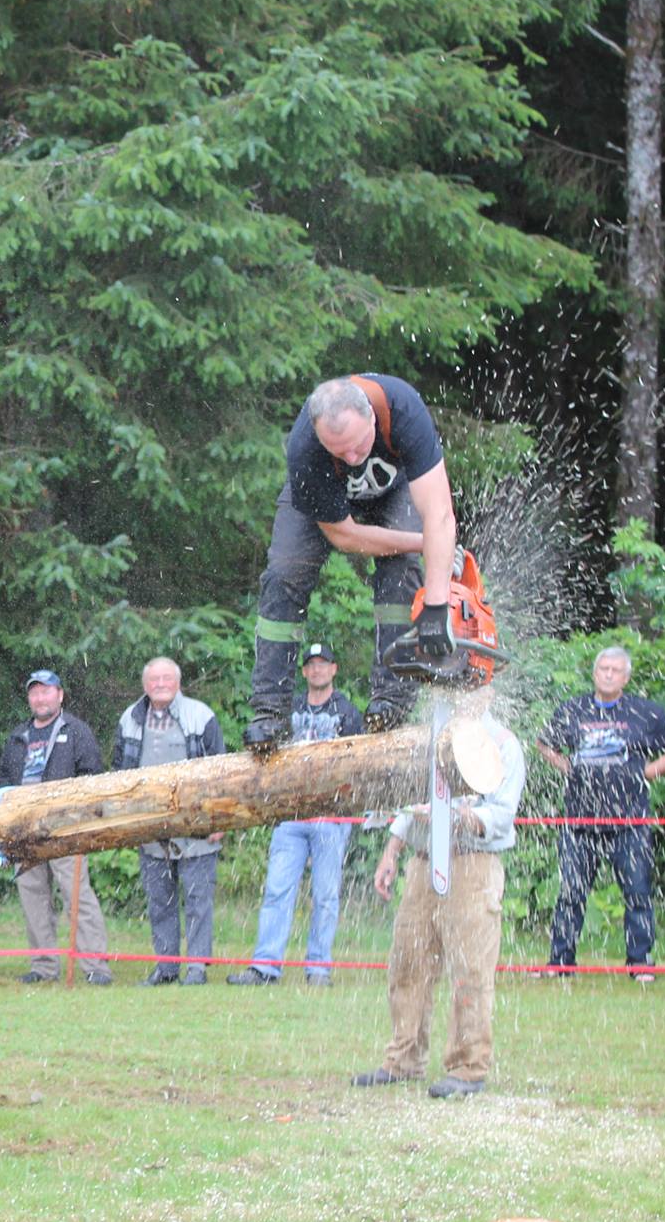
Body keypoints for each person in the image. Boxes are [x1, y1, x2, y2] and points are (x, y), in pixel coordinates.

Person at [244, 375, 459, 750]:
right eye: (339, 451)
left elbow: (439, 513)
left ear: (372, 419)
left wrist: (436, 605)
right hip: (330, 514)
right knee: (283, 574)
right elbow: (345, 536)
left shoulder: (404, 410)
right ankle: (270, 713)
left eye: (358, 446)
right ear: (318, 434)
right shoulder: (304, 449)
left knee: (403, 571)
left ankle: (391, 701)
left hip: (395, 492)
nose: (353, 459)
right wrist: (423, 543)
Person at [352, 689, 524, 1098]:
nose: (461, 697)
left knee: (470, 971)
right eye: (454, 689)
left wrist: (461, 816)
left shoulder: (502, 745)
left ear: (489, 692)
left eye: (471, 689)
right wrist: (392, 853)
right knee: (407, 964)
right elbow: (411, 802)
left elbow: (501, 815)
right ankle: (403, 1058)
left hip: (473, 864)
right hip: (424, 860)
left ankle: (468, 1068)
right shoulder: (431, 738)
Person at [535, 646, 665, 983]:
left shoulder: (643, 711)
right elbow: (543, 743)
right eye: (603, 668)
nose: (608, 674)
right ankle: (560, 961)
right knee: (570, 895)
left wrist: (650, 771)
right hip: (580, 819)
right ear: (595, 673)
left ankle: (640, 963)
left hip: (629, 820)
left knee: (637, 893)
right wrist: (567, 765)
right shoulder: (574, 708)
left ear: (626, 677)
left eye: (615, 670)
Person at [230, 642, 366, 986]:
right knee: (277, 890)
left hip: (331, 818)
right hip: (289, 816)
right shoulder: (287, 711)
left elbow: (359, 767)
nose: (317, 669)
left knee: (325, 896)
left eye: (324, 664)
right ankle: (265, 966)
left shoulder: (348, 713)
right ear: (304, 672)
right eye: (311, 665)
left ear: (334, 669)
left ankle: (318, 968)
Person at [115, 658, 226, 985]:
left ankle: (196, 968)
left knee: (197, 901)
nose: (160, 684)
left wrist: (219, 818)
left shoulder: (201, 715)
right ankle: (166, 967)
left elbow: (222, 771)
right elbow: (119, 773)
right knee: (159, 902)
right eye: (154, 679)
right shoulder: (130, 719)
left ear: (178, 682)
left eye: (166, 678)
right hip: (150, 829)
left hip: (198, 828)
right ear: (145, 684)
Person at [0, 671, 112, 985]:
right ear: (29, 699)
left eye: (46, 692)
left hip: (66, 831)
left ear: (60, 695)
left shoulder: (76, 731)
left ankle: (95, 967)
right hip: (25, 834)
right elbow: (4, 784)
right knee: (33, 898)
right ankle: (44, 966)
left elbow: (93, 779)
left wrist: (81, 821)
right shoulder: (17, 736)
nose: (40, 698)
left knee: (78, 896)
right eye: (35, 693)